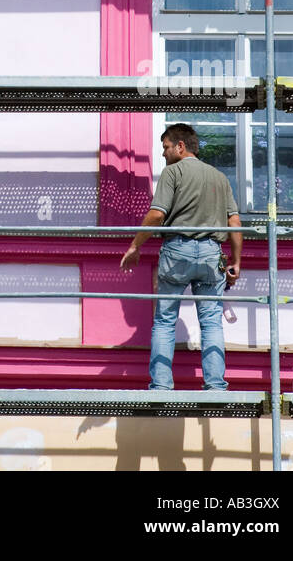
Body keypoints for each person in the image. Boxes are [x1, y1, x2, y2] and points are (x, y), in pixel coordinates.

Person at [119, 122, 243, 391]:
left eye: (165, 147)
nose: (163, 153)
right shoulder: (219, 177)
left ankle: (161, 386)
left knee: (164, 321)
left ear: (180, 146)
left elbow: (157, 214)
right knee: (211, 323)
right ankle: (216, 387)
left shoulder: (172, 172)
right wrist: (236, 261)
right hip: (212, 254)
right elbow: (234, 221)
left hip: (178, 251)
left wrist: (135, 246)